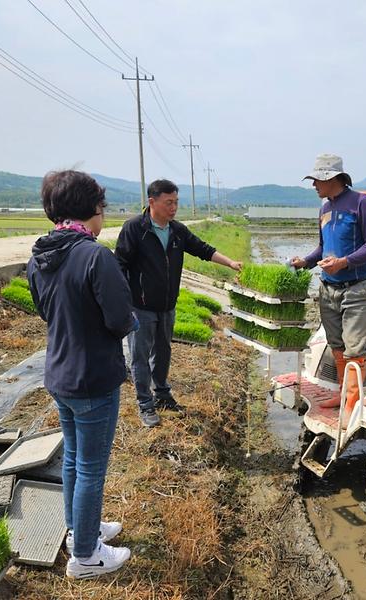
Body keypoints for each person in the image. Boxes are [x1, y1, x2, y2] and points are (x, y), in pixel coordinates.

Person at [28, 170, 136, 579]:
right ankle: (87, 556)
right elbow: (119, 319)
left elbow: (46, 312)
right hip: (93, 375)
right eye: (102, 206)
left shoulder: (39, 254)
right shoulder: (94, 255)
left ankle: (80, 530)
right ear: (91, 209)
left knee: (74, 458)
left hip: (60, 373)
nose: (103, 214)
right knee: (91, 466)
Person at [115, 179, 242, 427]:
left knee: (163, 352)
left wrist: (230, 263)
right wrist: (124, 301)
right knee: (140, 357)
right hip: (140, 306)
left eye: (176, 202)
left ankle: (162, 394)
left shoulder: (177, 230)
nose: (173, 208)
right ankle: (145, 404)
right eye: (168, 202)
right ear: (152, 202)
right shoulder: (134, 229)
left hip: (167, 306)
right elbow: (119, 264)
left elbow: (202, 249)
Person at [291, 154, 366, 422]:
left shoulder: (361, 203)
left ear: (331, 178)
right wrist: (306, 262)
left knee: (355, 348)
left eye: (316, 180)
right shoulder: (324, 208)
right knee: (337, 345)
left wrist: (344, 262)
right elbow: (323, 247)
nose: (313, 185)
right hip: (328, 288)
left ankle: (352, 406)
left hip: (356, 288)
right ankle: (344, 395)